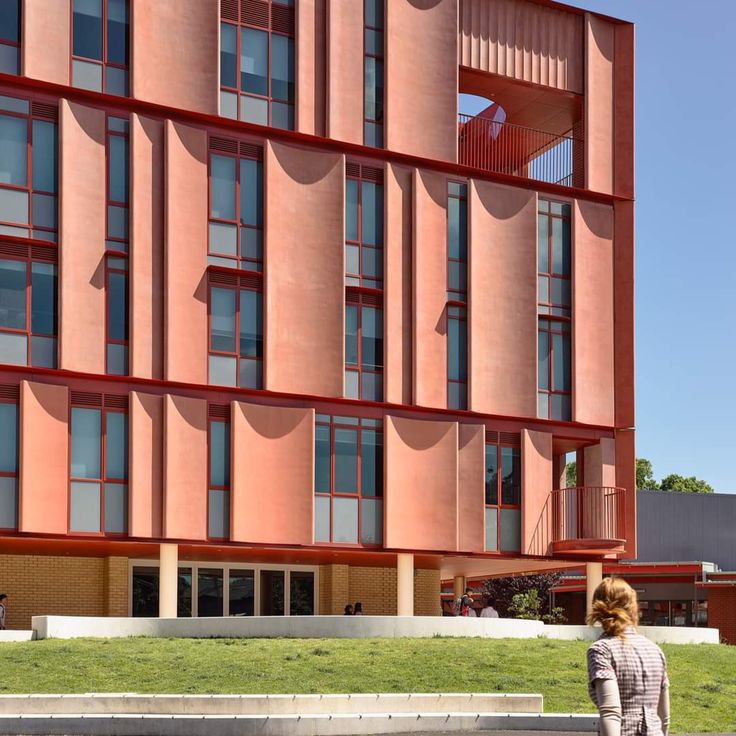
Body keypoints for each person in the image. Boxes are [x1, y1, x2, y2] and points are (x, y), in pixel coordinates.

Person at [586, 578, 670, 736]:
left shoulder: (601, 650)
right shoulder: (655, 650)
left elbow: (611, 713)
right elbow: (664, 718)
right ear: (632, 607)